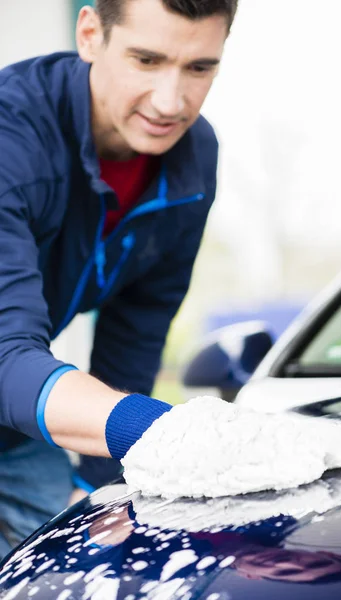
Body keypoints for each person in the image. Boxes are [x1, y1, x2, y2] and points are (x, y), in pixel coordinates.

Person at [0, 0, 238, 558]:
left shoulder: (193, 158)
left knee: (80, 563)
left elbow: (137, 330)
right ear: (89, 34)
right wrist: (169, 436)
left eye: (199, 67)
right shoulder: (11, 137)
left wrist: (99, 483)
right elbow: (5, 355)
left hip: (14, 433)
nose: (170, 101)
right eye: (146, 60)